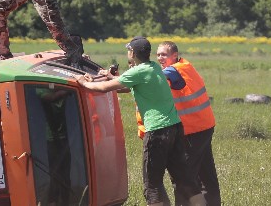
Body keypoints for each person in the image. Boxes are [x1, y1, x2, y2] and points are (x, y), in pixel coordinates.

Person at [75, 36, 205, 206]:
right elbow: (127, 87)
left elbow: (104, 89)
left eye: (129, 50)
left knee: (152, 185)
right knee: (185, 180)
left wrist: (84, 83)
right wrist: (109, 77)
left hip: (158, 132)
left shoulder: (137, 71)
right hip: (174, 128)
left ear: (133, 53)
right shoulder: (154, 68)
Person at [155, 41, 221, 206]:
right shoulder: (185, 65)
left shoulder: (174, 70)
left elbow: (154, 79)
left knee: (183, 175)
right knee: (206, 175)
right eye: (158, 55)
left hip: (194, 129)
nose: (160, 58)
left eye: (164, 54)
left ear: (174, 56)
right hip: (203, 126)